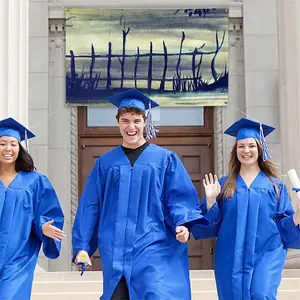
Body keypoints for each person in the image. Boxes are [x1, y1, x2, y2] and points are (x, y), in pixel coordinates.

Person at [72, 89, 211, 300]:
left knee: (156, 293)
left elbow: (179, 198)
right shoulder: (106, 164)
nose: (131, 127)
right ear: (117, 122)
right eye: (125, 121)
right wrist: (82, 247)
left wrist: (184, 223)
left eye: (136, 121)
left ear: (145, 121)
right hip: (116, 250)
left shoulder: (165, 160)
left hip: (154, 245)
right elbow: (91, 206)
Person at [192, 117, 300, 300]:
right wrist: (210, 201)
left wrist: (298, 214)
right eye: (241, 146)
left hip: (267, 252)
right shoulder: (224, 185)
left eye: (251, 145)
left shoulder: (276, 186)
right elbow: (209, 226)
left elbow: (285, 226)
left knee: (261, 294)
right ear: (235, 151)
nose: (246, 150)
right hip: (230, 255)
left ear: (260, 148)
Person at [0, 117, 65, 300]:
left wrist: (42, 226)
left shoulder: (35, 181)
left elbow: (47, 212)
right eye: (2, 143)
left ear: (20, 148)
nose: (8, 149)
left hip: (18, 258)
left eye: (13, 144)